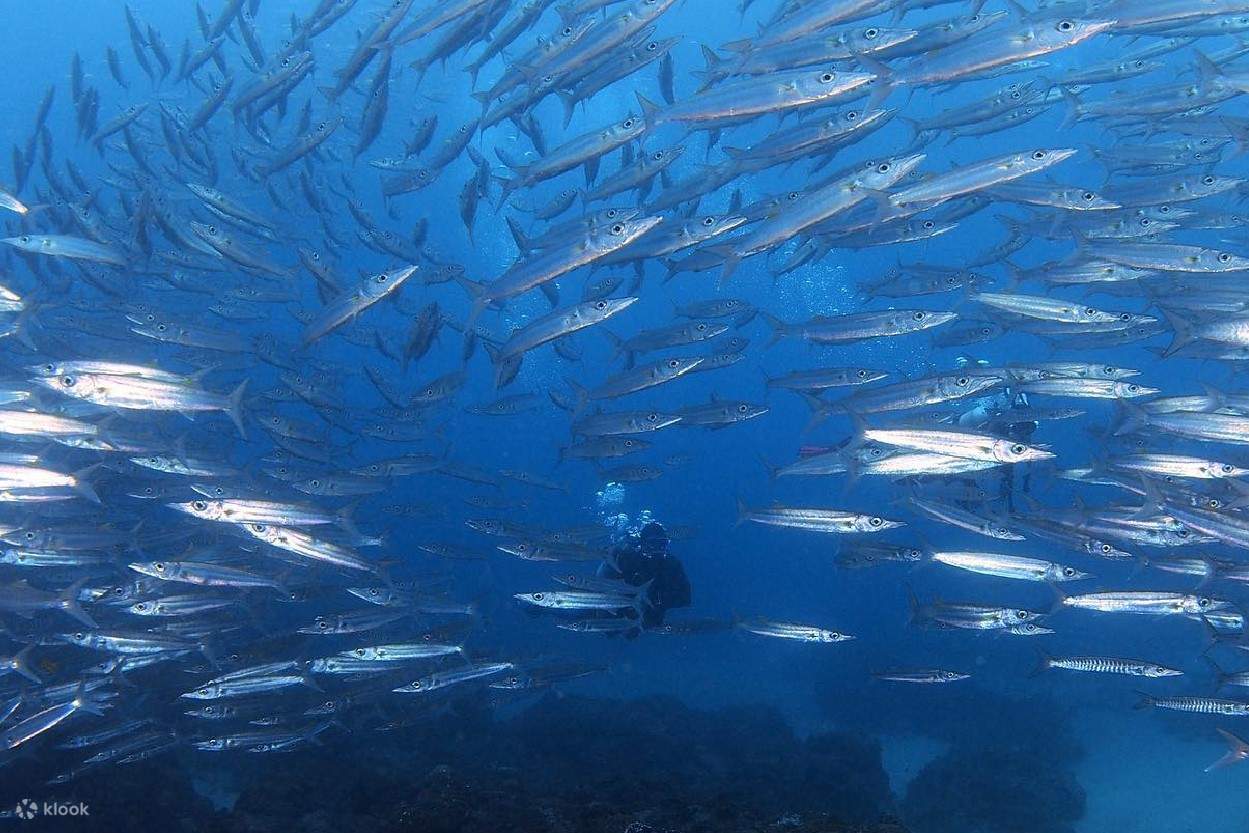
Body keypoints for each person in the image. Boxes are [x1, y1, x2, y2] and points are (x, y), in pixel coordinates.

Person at [600, 522, 691, 629]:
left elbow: (685, 598)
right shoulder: (628, 559)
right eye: (653, 544)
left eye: (662, 544)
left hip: (652, 620)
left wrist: (658, 600)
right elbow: (604, 586)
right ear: (642, 544)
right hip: (617, 615)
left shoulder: (672, 564)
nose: (658, 549)